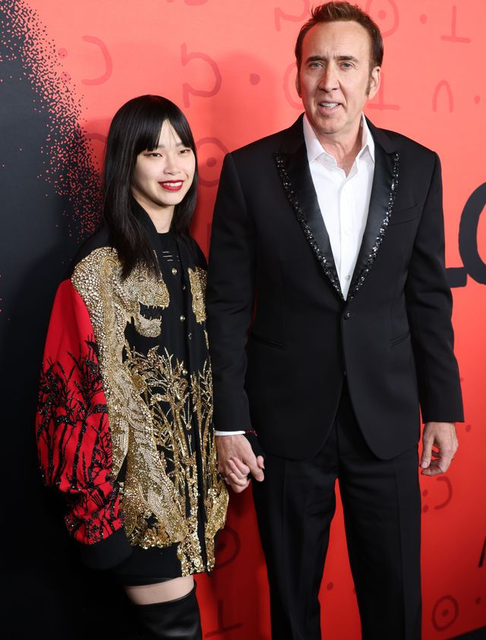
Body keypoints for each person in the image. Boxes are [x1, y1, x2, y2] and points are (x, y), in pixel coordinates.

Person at [206, 3, 463, 639]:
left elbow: (428, 297)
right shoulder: (248, 172)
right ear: (297, 74)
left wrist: (441, 406)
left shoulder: (420, 167)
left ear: (373, 78)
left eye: (347, 64)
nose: (329, 81)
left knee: (396, 601)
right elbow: (228, 306)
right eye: (315, 63)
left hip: (387, 417)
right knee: (293, 608)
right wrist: (230, 421)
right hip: (287, 423)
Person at [36, 95, 228, 639]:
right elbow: (65, 402)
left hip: (190, 505)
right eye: (153, 152)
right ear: (127, 161)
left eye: (183, 149)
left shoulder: (191, 256)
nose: (173, 165)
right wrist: (99, 520)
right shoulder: (97, 268)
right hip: (129, 511)